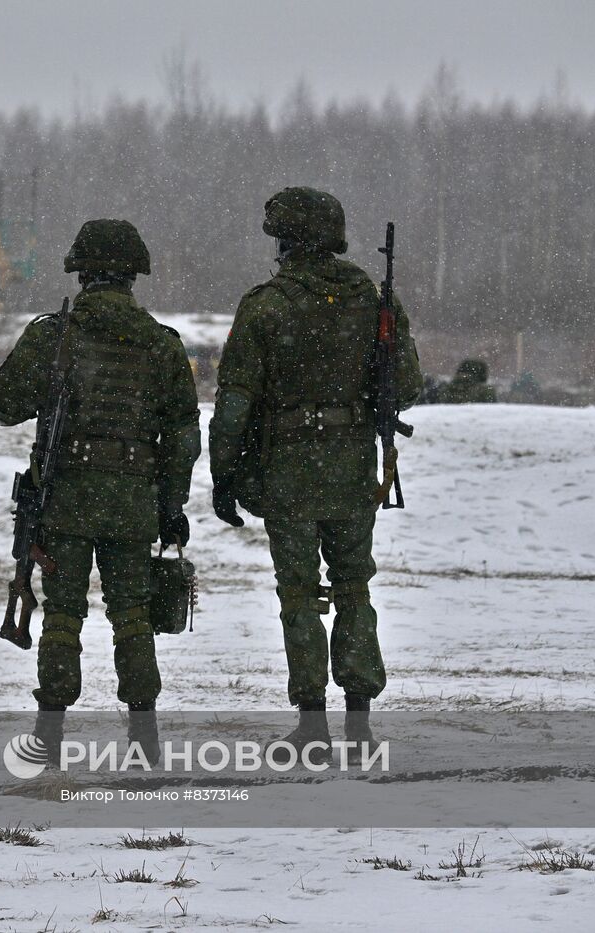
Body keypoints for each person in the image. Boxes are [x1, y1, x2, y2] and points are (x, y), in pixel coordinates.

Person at [208, 187, 421, 758]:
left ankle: (311, 722)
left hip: (289, 473)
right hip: (353, 469)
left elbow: (234, 404)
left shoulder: (266, 306)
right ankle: (359, 720)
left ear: (285, 241)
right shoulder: (374, 302)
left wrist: (223, 476)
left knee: (298, 594)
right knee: (354, 586)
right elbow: (407, 386)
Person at [0, 219, 200, 762]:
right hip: (133, 501)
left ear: (80, 271)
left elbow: (4, 406)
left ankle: (51, 734)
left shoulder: (52, 336)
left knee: (62, 614)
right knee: (133, 614)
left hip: (66, 497)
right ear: (133, 273)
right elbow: (181, 431)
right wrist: (170, 502)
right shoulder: (159, 343)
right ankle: (145, 737)